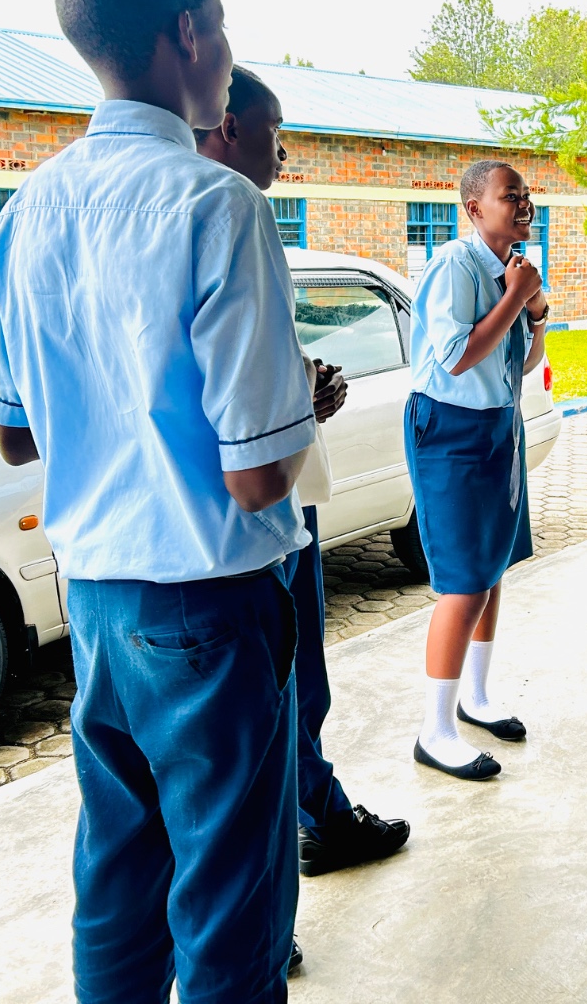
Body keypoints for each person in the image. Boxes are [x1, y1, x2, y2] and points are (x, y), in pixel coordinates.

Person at [0, 0, 313, 1000]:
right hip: (208, 605)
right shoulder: (220, 205)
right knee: (229, 904)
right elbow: (257, 477)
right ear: (187, 31)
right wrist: (289, 407)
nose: (227, 53)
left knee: (120, 877)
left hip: (92, 601)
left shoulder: (26, 209)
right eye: (221, 26)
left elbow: (15, 435)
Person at [195, 64, 411, 877]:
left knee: (293, 695)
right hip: (250, 524)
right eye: (276, 131)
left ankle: (318, 812)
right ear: (230, 127)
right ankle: (307, 832)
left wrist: (305, 393)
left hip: (274, 506)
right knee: (276, 699)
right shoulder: (225, 217)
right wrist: (296, 407)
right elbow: (230, 423)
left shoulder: (235, 227)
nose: (284, 153)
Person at [407, 160, 549, 780]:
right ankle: (434, 731)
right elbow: (457, 357)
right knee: (464, 581)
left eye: (526, 195)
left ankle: (477, 696)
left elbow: (521, 363)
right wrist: (516, 297)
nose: (523, 205)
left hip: (498, 425)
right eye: (509, 196)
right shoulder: (454, 267)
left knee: (492, 569)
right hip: (451, 431)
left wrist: (534, 312)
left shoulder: (510, 268)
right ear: (474, 208)